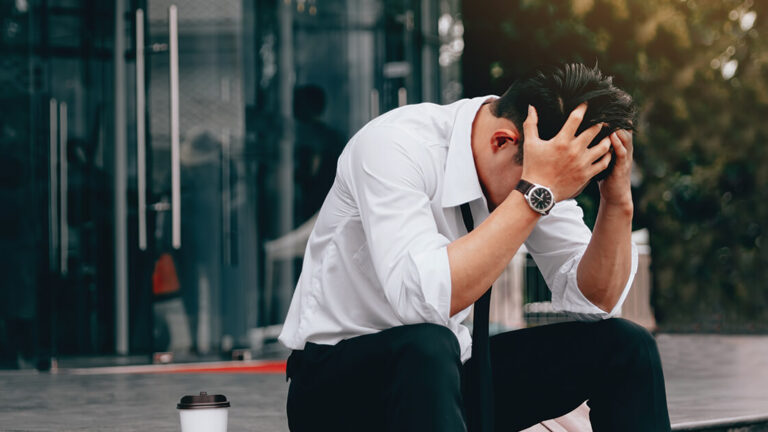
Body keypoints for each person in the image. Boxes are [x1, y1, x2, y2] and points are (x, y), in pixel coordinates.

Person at [278, 63, 671, 432]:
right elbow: (421, 300)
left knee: (626, 347)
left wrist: (617, 204)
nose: (549, 198)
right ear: (503, 140)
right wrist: (535, 192)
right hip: (335, 390)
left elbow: (594, 301)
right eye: (547, 188)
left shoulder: (534, 159)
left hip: (445, 380)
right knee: (428, 344)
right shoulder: (394, 146)